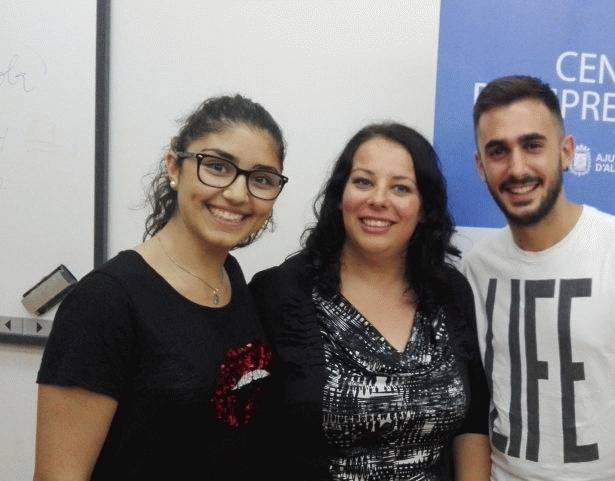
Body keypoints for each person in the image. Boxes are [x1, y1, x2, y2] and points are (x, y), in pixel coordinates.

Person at [34, 95, 288, 481]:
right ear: (174, 166)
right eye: (217, 166)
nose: (238, 193)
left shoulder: (233, 280)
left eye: (262, 179)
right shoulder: (105, 302)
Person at [462, 75, 615, 481]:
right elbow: (474, 407)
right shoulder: (476, 268)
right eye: (498, 151)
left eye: (532, 145)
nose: (517, 168)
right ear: (481, 167)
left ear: (566, 152)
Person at [250, 123, 490, 481]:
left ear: (424, 209)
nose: (378, 199)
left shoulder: (449, 291)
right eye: (363, 182)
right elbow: (250, 435)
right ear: (340, 196)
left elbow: (472, 423)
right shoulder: (279, 292)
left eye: (401, 188)